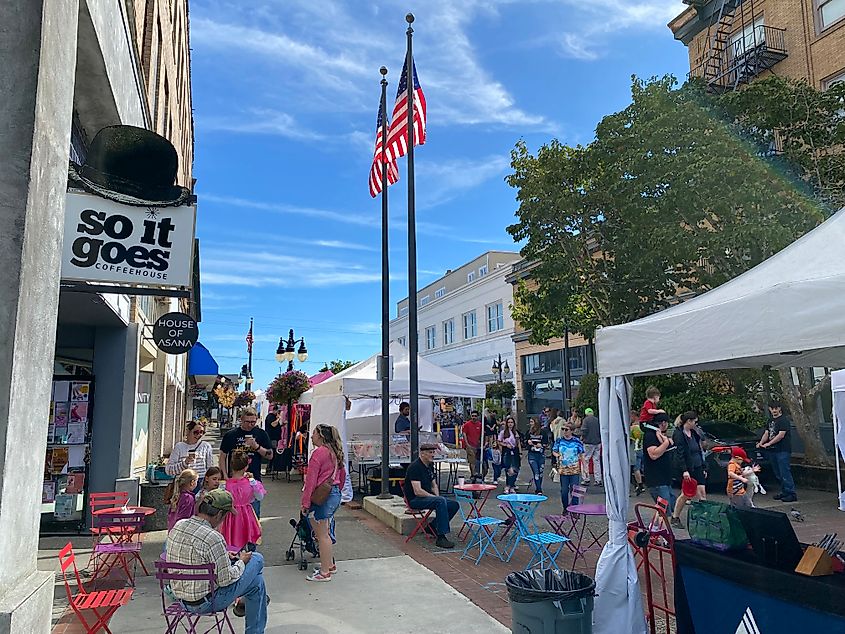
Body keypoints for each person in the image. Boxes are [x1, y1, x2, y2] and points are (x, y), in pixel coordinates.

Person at [166, 489, 268, 634]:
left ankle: (250, 609)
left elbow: (192, 554)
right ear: (219, 514)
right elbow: (225, 580)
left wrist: (223, 555)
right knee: (257, 559)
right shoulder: (213, 537)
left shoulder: (179, 525)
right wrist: (242, 562)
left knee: (257, 584)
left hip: (181, 598)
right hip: (207, 602)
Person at [301, 424, 346, 581]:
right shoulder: (334, 452)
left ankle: (324, 572)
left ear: (320, 435)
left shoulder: (318, 453)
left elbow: (311, 481)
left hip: (322, 497)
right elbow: (343, 475)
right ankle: (329, 564)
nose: (311, 436)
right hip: (333, 494)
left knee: (322, 535)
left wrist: (305, 503)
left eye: (313, 433)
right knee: (326, 531)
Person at [220, 407, 273, 517]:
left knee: (253, 514)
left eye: (253, 422)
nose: (250, 425)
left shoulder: (261, 434)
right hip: (234, 480)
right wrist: (225, 475)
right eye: (247, 422)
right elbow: (223, 456)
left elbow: (270, 455)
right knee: (233, 514)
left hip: (253, 480)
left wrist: (256, 447)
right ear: (241, 419)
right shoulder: (231, 435)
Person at [404, 443, 459, 549]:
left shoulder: (429, 466)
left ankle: (433, 527)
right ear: (423, 454)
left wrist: (437, 496)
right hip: (415, 500)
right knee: (440, 501)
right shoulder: (415, 467)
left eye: (434, 452)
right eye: (430, 452)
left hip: (427, 497)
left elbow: (434, 485)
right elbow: (417, 491)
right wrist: (435, 498)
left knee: (454, 505)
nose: (433, 455)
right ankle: (441, 537)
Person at [220, 450, 265, 551]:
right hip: (247, 514)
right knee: (249, 539)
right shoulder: (251, 482)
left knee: (232, 538)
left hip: (231, 515)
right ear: (246, 467)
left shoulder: (224, 485)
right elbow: (260, 497)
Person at [670, 411, 707, 527]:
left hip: (698, 465)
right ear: (689, 421)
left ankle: (704, 519)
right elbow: (679, 454)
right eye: (694, 422)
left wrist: (704, 466)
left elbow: (700, 450)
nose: (696, 424)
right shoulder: (679, 434)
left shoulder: (694, 434)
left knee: (702, 492)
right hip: (688, 467)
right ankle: (675, 517)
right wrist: (684, 470)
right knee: (686, 494)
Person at [757, 401, 796, 502]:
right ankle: (784, 492)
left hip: (783, 450)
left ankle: (791, 493)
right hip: (773, 451)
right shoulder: (770, 420)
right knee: (778, 473)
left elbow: (781, 435)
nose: (774, 410)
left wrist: (769, 443)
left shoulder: (784, 420)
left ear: (780, 409)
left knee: (784, 472)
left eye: (776, 408)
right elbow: (767, 432)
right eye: (772, 408)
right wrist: (761, 443)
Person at [642, 413, 677, 518]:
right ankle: (658, 530)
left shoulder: (660, 434)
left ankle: (657, 529)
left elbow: (672, 444)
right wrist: (665, 442)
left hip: (665, 478)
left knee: (671, 506)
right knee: (664, 510)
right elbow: (653, 454)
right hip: (656, 479)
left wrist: (666, 440)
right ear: (663, 423)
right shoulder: (650, 436)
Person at [166, 421, 215, 491]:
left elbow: (210, 469)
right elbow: (169, 470)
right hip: (184, 485)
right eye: (196, 432)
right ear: (188, 431)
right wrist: (184, 463)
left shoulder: (206, 446)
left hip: (200, 483)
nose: (199, 434)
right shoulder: (179, 447)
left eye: (202, 432)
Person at [552, 424, 584, 512]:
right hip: (563, 469)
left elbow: (581, 454)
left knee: (574, 491)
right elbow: (554, 451)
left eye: (566, 429)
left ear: (572, 431)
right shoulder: (559, 441)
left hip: (574, 469)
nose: (564, 431)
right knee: (564, 491)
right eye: (563, 429)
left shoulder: (576, 441)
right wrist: (558, 455)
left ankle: (574, 509)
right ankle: (565, 508)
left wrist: (585, 468)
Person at [526, 417, 550, 494]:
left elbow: (546, 443)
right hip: (532, 455)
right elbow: (524, 441)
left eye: (532, 422)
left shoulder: (543, 432)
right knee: (536, 472)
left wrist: (542, 445)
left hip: (541, 455)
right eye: (530, 422)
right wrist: (528, 442)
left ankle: (538, 486)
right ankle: (539, 489)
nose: (530, 424)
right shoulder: (529, 432)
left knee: (540, 472)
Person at [580, 407, 602, 486]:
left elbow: (584, 430)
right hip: (597, 442)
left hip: (588, 442)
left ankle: (586, 478)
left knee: (585, 460)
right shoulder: (597, 420)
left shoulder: (586, 420)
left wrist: (582, 437)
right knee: (596, 461)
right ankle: (598, 479)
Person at [498, 416, 521, 494]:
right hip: (507, 451)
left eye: (512, 422)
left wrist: (520, 452)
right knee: (508, 469)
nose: (510, 424)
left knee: (515, 468)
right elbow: (499, 441)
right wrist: (505, 445)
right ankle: (508, 485)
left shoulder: (516, 432)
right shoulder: (503, 432)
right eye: (509, 422)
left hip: (515, 451)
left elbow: (518, 443)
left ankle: (512, 485)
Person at [462, 411, 482, 480]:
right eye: (472, 416)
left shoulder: (480, 424)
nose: (474, 417)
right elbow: (464, 434)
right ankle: (473, 474)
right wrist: (467, 444)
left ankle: (474, 475)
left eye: (475, 416)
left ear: (478, 416)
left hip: (477, 445)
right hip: (470, 445)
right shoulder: (467, 424)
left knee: (477, 461)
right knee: (472, 460)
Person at [629, 410, 645, 496]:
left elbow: (630, 439)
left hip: (635, 449)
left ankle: (638, 485)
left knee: (634, 468)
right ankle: (639, 485)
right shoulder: (642, 426)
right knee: (637, 469)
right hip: (641, 448)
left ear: (634, 416)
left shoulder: (634, 428)